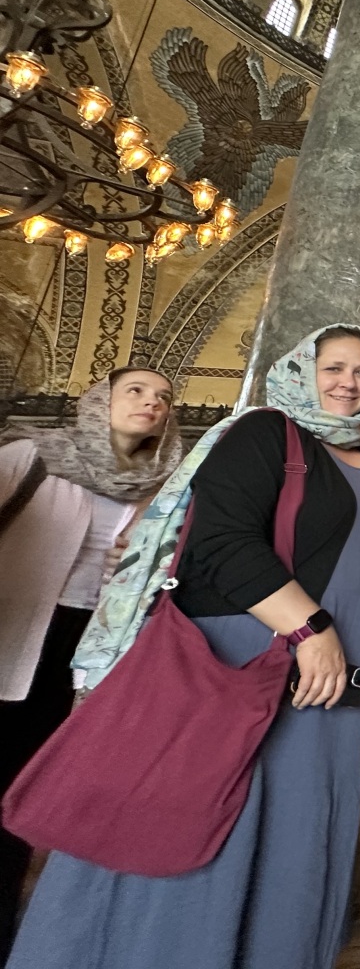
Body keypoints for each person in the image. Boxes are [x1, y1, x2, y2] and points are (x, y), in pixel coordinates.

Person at [7, 325, 360, 969]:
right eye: (333, 367)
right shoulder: (262, 435)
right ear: (302, 370)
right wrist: (310, 630)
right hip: (252, 658)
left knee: (303, 829)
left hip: (340, 678)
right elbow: (223, 543)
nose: (348, 382)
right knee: (211, 810)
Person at [0, 367, 182, 960]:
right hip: (14, 634)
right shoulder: (32, 459)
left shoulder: (163, 489)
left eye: (161, 398)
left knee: (27, 793)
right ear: (100, 401)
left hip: (82, 650)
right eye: (135, 391)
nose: (150, 404)